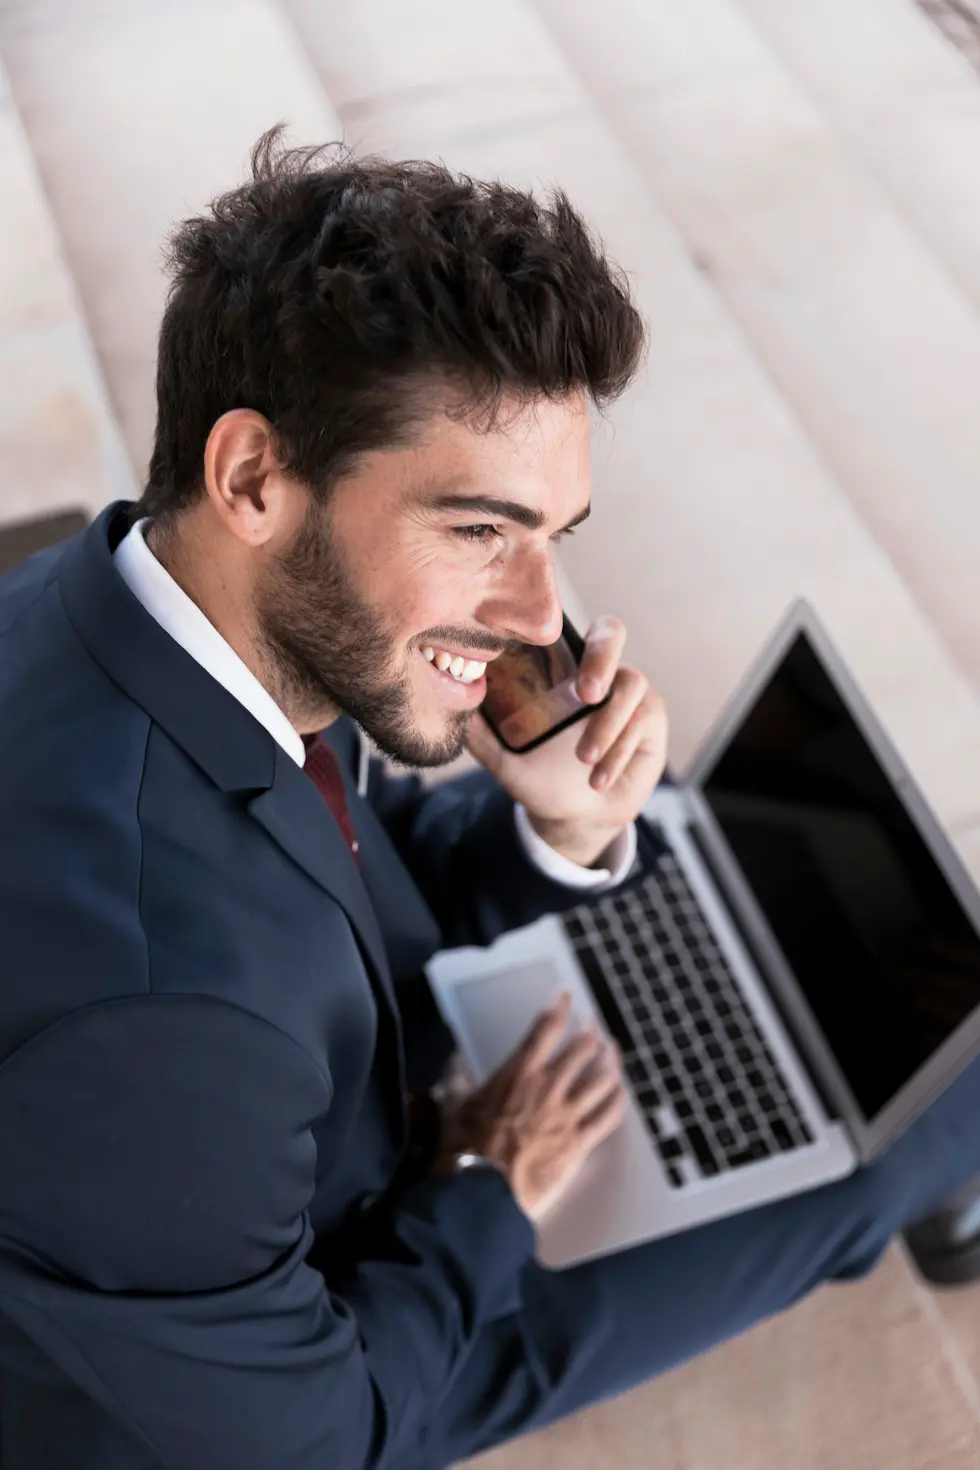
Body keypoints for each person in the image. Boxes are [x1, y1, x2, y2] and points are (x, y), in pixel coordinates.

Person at [1, 129, 979, 1470]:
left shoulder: (115, 591)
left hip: (277, 1119)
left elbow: (333, 850)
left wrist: (559, 829)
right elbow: (314, 1437)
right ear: (252, 478)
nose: (537, 613)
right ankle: (931, 1185)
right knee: (938, 1095)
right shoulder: (158, 1018)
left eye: (551, 537)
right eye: (479, 530)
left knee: (663, 830)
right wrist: (486, 1185)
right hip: (342, 1314)